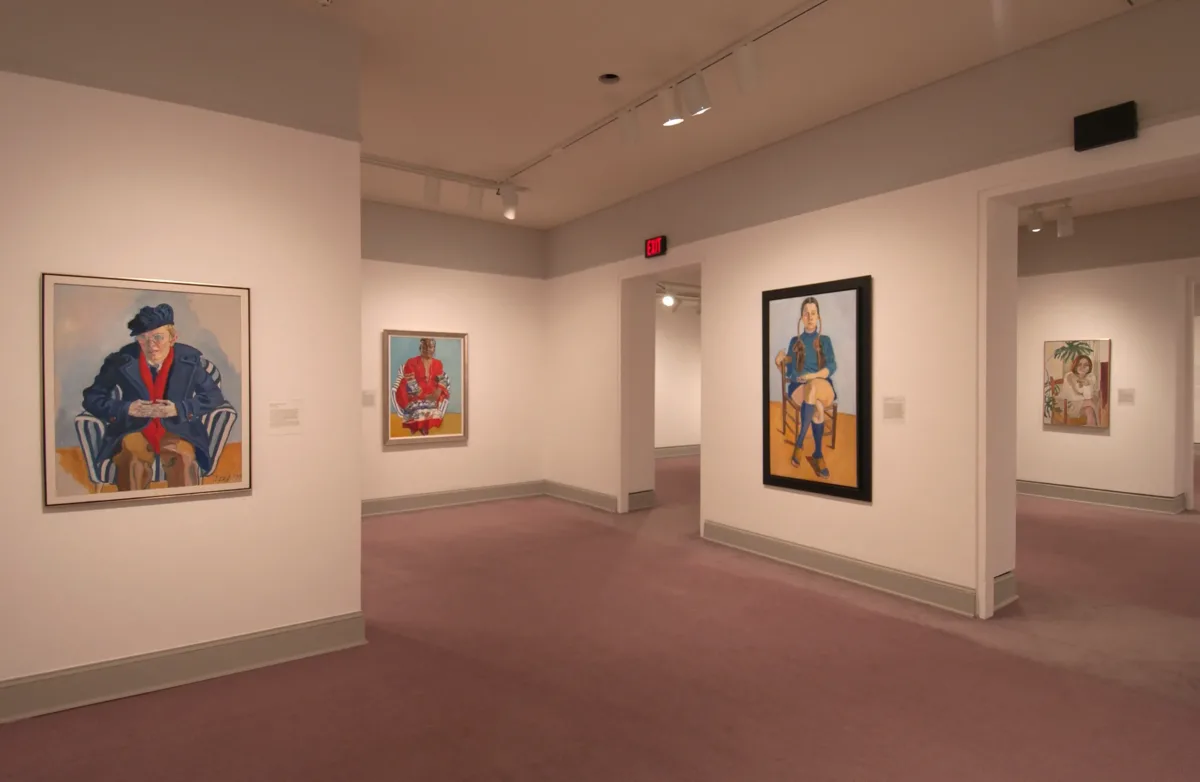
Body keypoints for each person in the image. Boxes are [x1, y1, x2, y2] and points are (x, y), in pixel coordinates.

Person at [82, 303, 229, 491]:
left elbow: (214, 397)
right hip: (133, 428)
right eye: (143, 338)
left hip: (177, 428)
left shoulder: (189, 362)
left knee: (183, 459)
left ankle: (186, 510)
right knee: (132, 460)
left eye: (158, 337)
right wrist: (126, 408)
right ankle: (133, 512)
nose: (151, 345)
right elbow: (92, 397)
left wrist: (178, 409)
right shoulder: (121, 361)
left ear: (173, 338)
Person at [774, 297, 837, 478]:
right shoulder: (795, 340)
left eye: (813, 313)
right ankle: (817, 454)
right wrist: (779, 361)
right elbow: (790, 374)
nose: (810, 317)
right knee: (816, 405)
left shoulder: (825, 340)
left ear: (818, 317)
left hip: (823, 385)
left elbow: (831, 368)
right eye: (806, 313)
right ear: (801, 317)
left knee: (814, 386)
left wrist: (812, 376)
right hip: (799, 389)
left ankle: (799, 442)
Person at [393, 337, 451, 435]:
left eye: (431, 347)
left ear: (434, 349)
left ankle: (423, 427)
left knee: (432, 407)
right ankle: (419, 427)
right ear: (420, 348)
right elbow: (411, 383)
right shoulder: (411, 362)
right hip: (413, 394)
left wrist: (437, 392)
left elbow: (441, 380)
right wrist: (425, 396)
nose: (428, 349)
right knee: (417, 406)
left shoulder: (438, 363)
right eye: (425, 346)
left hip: (432, 394)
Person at [1061, 354, 1099, 426]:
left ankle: (1091, 431)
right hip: (1070, 405)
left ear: (1089, 366)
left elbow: (1088, 396)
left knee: (1090, 410)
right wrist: (1085, 398)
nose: (1083, 367)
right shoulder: (1069, 376)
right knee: (1091, 402)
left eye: (1086, 365)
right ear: (1075, 365)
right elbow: (1072, 396)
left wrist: (1086, 384)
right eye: (1079, 364)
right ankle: (1098, 424)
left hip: (1084, 404)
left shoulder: (1091, 377)